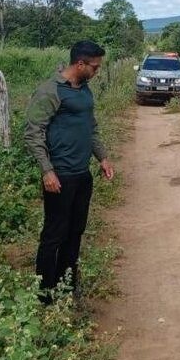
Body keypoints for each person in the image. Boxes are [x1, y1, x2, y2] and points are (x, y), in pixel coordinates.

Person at [24, 40, 115, 302]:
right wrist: (47, 171)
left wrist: (103, 157)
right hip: (60, 176)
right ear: (80, 64)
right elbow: (33, 133)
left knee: (76, 230)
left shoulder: (84, 90)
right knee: (54, 234)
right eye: (95, 67)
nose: (97, 72)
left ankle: (67, 285)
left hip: (81, 175)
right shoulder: (51, 91)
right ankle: (44, 294)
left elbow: (91, 126)